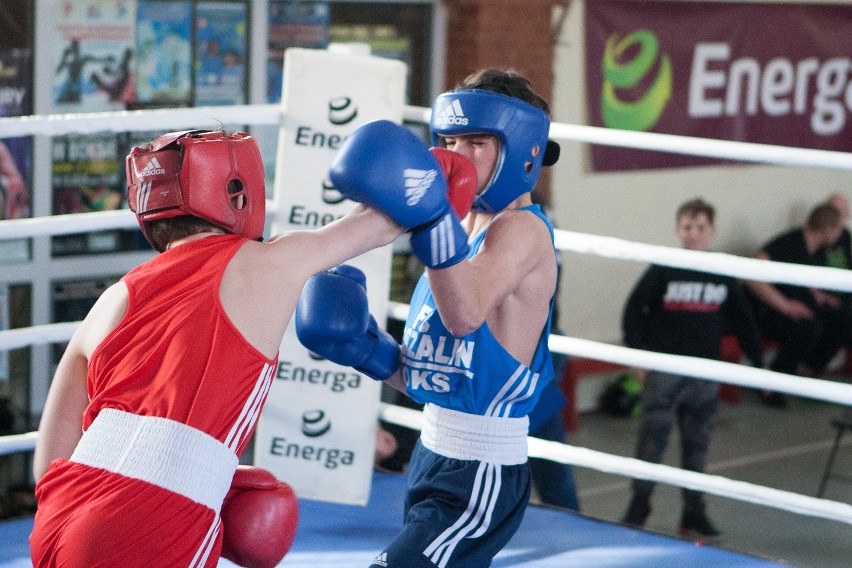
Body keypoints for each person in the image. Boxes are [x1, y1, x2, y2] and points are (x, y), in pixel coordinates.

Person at [29, 129, 403, 567]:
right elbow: (390, 218)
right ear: (239, 193)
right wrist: (456, 169)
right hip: (147, 522)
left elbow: (49, 464)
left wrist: (203, 473)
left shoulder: (111, 300)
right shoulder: (268, 263)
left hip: (60, 516)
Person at [296, 68, 561, 567]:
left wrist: (434, 222)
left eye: (477, 142)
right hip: (434, 453)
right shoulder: (457, 231)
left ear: (523, 151)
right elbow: (434, 376)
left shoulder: (521, 233)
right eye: (450, 139)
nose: (457, 155)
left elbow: (464, 316)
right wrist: (368, 352)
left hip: (480, 469)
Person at [620, 198, 764, 539]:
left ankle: (694, 510)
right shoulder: (664, 267)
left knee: (697, 444)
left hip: (704, 372)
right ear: (677, 230)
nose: (693, 234)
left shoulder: (722, 273)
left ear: (711, 232)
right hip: (665, 370)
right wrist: (638, 355)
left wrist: (760, 368)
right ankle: (639, 505)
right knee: (651, 442)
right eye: (687, 227)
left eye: (700, 228)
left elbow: (745, 321)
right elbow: (632, 311)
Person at [746, 203, 852, 407]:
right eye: (839, 228)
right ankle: (773, 383)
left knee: (844, 319)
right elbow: (752, 276)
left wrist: (819, 295)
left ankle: (809, 371)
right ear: (828, 230)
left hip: (796, 303)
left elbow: (801, 276)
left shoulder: (819, 249)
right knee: (808, 328)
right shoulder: (789, 242)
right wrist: (784, 304)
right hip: (766, 309)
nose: (841, 234)